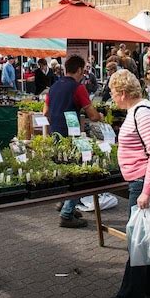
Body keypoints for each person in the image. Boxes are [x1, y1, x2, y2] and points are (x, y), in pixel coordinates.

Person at [97, 69, 150, 298]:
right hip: (141, 179)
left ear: (123, 93)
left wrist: (146, 192)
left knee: (137, 239)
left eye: (113, 92)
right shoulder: (137, 110)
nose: (111, 97)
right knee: (144, 234)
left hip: (144, 181)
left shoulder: (143, 113)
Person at [43, 55, 103, 228]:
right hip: (73, 136)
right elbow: (92, 115)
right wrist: (100, 116)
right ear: (78, 70)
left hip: (56, 134)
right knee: (82, 172)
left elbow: (45, 111)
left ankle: (64, 202)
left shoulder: (53, 87)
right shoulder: (78, 88)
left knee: (64, 169)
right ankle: (67, 213)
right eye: (83, 70)